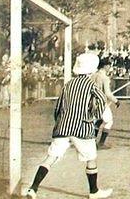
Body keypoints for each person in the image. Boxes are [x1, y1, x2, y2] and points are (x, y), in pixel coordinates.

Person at [24, 53, 112, 199]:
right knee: (91, 158)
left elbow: (58, 108)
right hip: (81, 128)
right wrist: (94, 115)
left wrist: (60, 123)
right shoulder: (91, 85)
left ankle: (33, 189)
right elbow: (102, 100)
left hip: (63, 127)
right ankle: (94, 191)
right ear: (91, 69)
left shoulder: (68, 85)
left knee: (50, 158)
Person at [93, 58, 120, 149]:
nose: (109, 67)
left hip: (93, 101)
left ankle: (93, 142)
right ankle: (101, 143)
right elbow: (107, 93)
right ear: (105, 66)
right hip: (102, 102)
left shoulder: (94, 75)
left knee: (99, 120)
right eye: (109, 65)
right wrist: (116, 101)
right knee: (108, 121)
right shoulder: (105, 77)